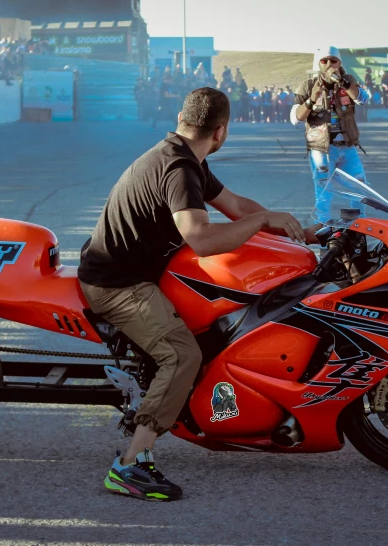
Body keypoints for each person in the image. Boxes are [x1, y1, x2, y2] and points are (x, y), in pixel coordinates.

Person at [78, 87, 317, 502]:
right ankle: (130, 465)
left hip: (136, 271)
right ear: (221, 132)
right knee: (182, 354)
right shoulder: (179, 169)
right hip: (118, 284)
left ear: (182, 117)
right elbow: (202, 239)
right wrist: (262, 221)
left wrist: (302, 235)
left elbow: (238, 207)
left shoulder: (184, 156)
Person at [291, 46, 371, 225]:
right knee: (324, 193)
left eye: (333, 60)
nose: (329, 64)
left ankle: (354, 227)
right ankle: (324, 232)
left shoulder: (348, 81)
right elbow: (295, 119)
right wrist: (311, 99)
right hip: (321, 149)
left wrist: (343, 83)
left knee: (361, 188)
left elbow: (363, 99)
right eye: (324, 61)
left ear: (339, 63)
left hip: (347, 147)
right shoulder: (308, 85)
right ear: (318, 63)